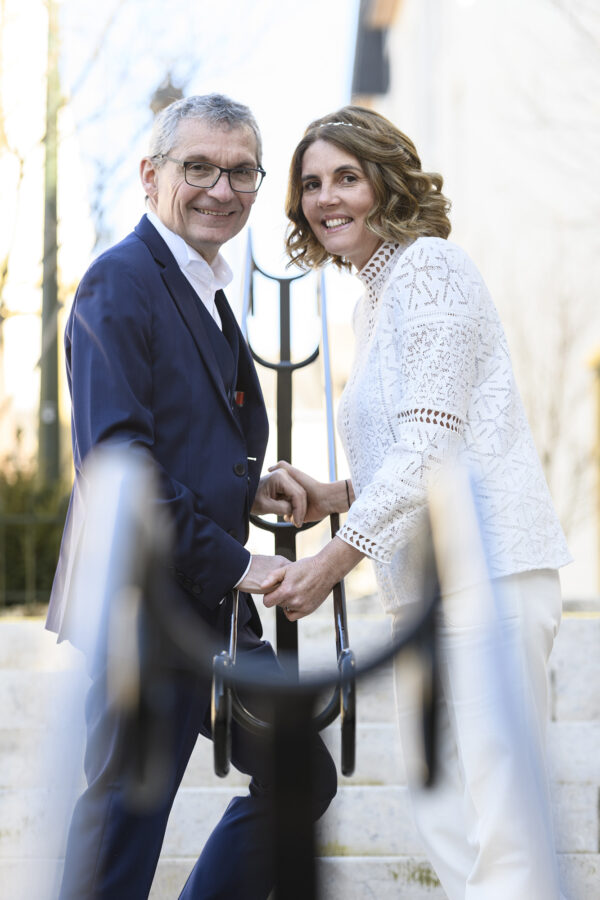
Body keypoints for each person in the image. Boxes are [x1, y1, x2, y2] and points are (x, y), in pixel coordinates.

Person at [262, 105, 572, 899]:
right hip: (428, 595)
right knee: (448, 818)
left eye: (345, 178)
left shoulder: (429, 268)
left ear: (386, 182)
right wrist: (336, 496)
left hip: (490, 577)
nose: (326, 198)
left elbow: (434, 450)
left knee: (504, 827)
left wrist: (332, 562)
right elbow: (424, 445)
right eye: (310, 184)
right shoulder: (376, 299)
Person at [46, 93, 337, 900]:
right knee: (123, 823)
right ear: (151, 175)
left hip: (207, 603)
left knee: (300, 778)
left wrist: (256, 482)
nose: (222, 188)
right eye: (198, 167)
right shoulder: (120, 282)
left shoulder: (206, 281)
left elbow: (189, 431)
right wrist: (242, 564)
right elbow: (122, 466)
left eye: (242, 171)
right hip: (143, 602)